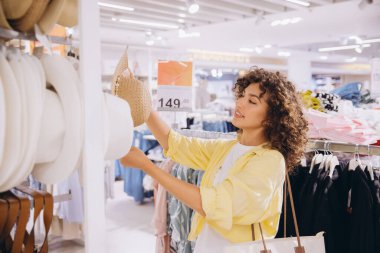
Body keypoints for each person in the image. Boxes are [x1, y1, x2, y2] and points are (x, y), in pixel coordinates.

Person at [120, 67, 309, 252]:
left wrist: (148, 166)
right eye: (242, 96)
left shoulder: (270, 161)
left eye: (252, 101)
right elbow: (176, 145)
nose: (240, 103)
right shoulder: (227, 147)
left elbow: (211, 203)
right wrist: (141, 102)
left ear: (272, 118)